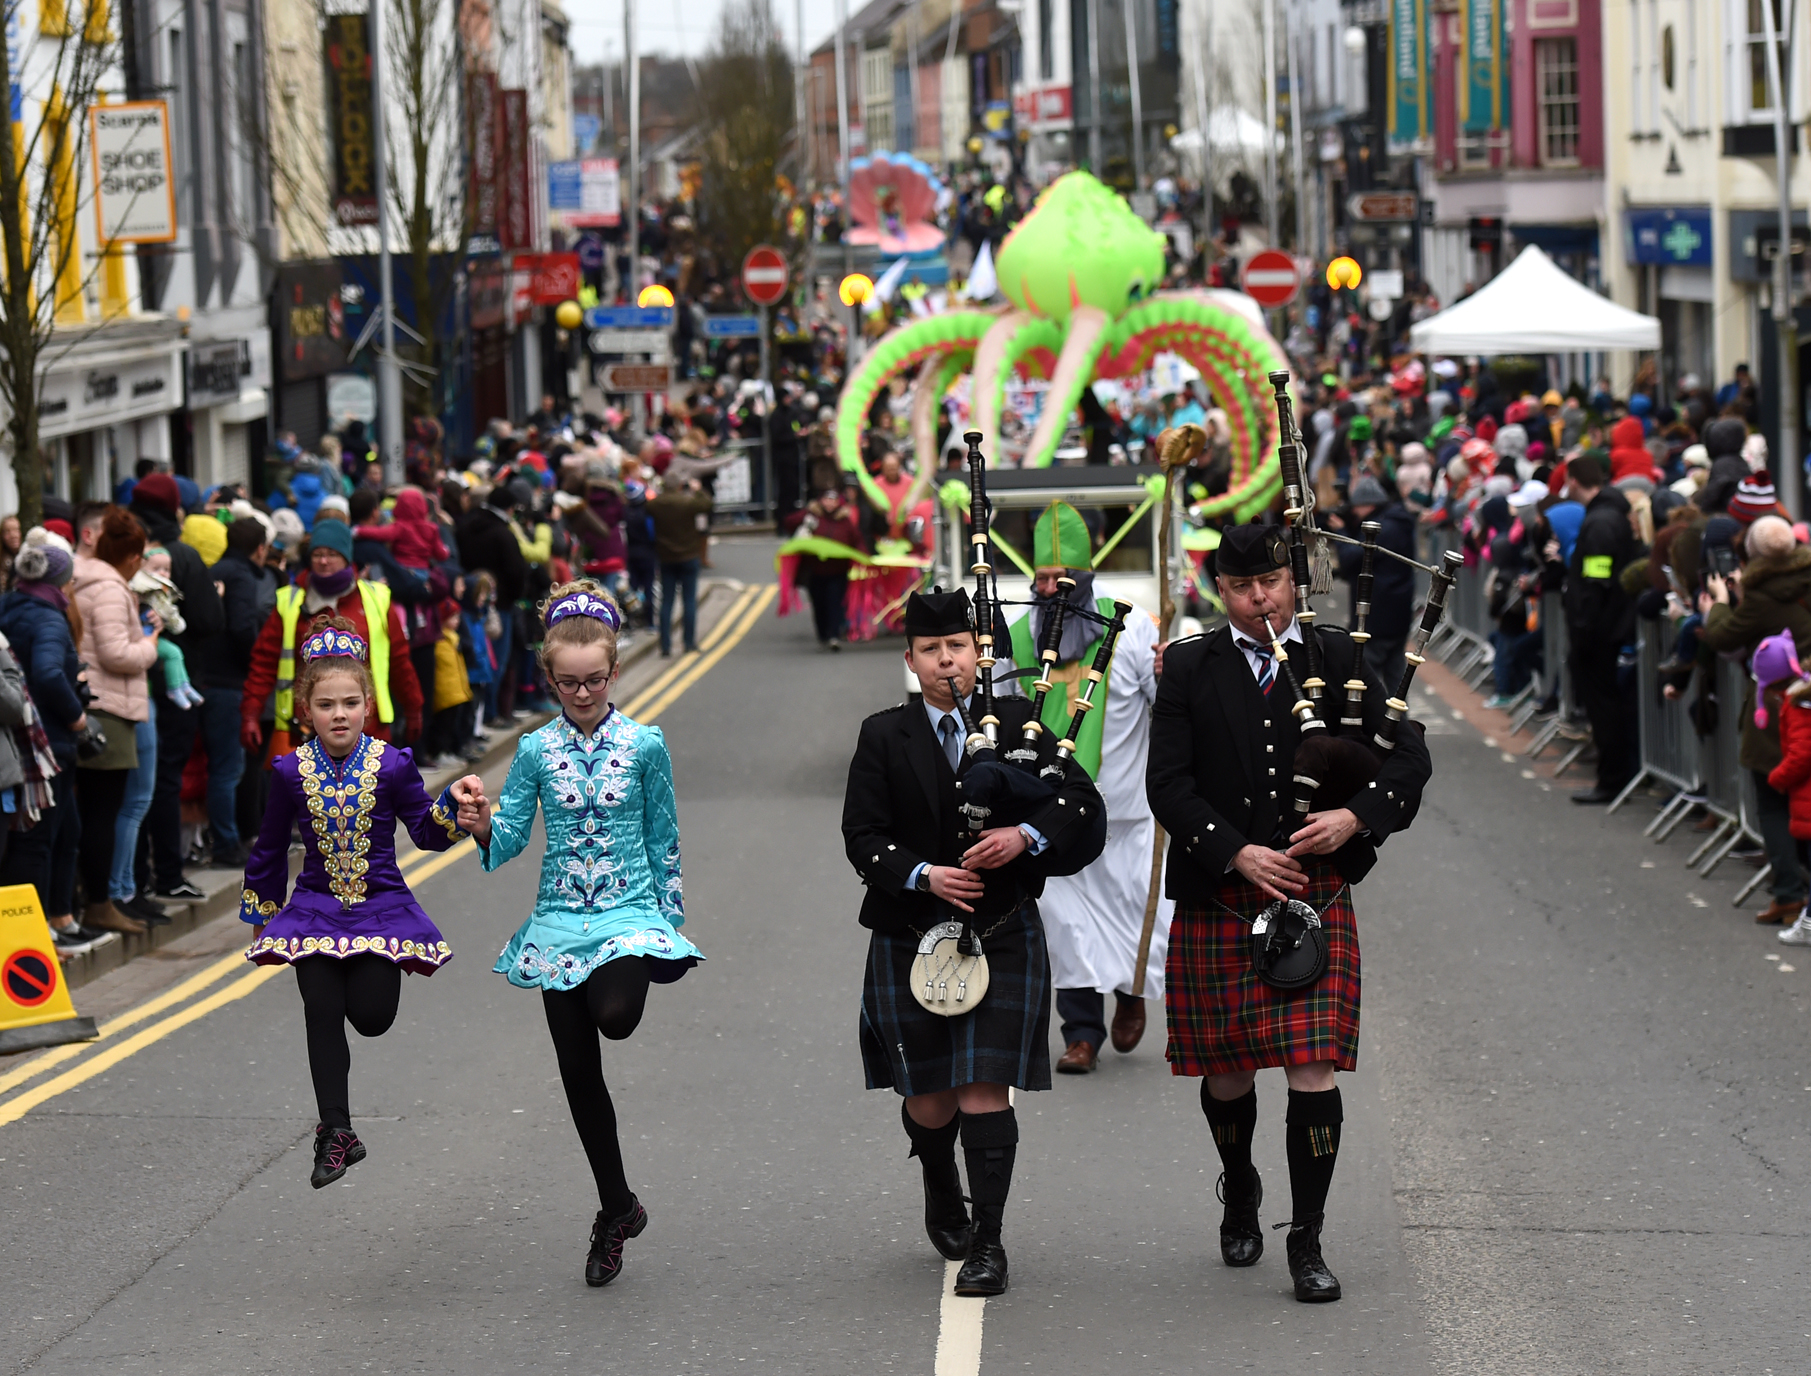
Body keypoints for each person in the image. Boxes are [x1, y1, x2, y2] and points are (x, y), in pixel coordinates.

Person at [1146, 523, 1432, 1304]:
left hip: (1314, 892)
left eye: (1270, 582)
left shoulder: (1334, 657)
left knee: (1311, 1067)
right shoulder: (1189, 668)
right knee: (1227, 1070)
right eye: (1241, 589)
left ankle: (1305, 1237)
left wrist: (1355, 819)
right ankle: (1239, 1183)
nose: (1259, 599)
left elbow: (1408, 757)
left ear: (1291, 579)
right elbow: (1166, 785)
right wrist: (1234, 852)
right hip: (1224, 891)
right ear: (1219, 593)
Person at [841, 588, 1107, 1298]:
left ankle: (988, 1241)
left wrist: (1024, 834)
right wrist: (924, 876)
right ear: (910, 661)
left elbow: (1081, 803)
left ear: (978, 653)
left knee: (986, 1088)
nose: (945, 661)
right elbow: (861, 837)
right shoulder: (881, 735)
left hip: (1000, 927)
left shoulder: (1020, 721)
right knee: (931, 1099)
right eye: (930, 650)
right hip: (911, 929)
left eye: (956, 646)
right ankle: (937, 1176)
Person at [457, 582, 703, 1288]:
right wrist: (479, 825)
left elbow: (665, 835)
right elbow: (505, 842)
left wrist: (666, 923)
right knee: (579, 1075)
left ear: (613, 673)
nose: (583, 692)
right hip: (557, 921)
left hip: (628, 913)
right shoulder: (534, 751)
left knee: (616, 1018)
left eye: (594, 679)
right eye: (568, 682)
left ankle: (616, 1207)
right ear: (550, 679)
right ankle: (615, 1209)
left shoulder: (644, 744)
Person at [240, 616, 479, 1188]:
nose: (339, 714)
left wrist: (457, 809)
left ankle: (339, 1121)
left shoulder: (393, 764)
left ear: (368, 704)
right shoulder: (289, 770)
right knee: (320, 1009)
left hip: (381, 909)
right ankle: (336, 1131)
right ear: (306, 710)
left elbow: (423, 830)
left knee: (371, 1019)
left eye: (350, 702)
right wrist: (262, 915)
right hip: (315, 909)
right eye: (326, 704)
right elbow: (270, 848)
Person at [996, 502, 1169, 1073]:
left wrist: (1174, 675)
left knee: (1131, 918)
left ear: (1086, 575)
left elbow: (1167, 707)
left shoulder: (1134, 628)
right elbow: (994, 712)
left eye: (1060, 578)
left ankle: (1131, 996)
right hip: (1053, 819)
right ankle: (1081, 1033)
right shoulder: (1018, 637)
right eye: (1041, 579)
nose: (1050, 589)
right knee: (1066, 927)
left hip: (1127, 815)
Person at [239, 519, 424, 768]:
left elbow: (400, 663)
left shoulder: (376, 599)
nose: (323, 561)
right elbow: (263, 663)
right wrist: (250, 713)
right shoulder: (290, 601)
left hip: (369, 731)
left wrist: (413, 708)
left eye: (332, 554)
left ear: (347, 557)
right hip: (304, 732)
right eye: (317, 554)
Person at [1699, 516, 1811, 923]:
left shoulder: (1763, 597)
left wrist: (1721, 606)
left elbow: (1725, 637)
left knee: (1773, 799)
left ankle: (1788, 893)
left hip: (1778, 705)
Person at [0, 535, 105, 946]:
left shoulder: (9, 605)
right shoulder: (48, 618)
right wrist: (77, 718)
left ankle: (61, 918)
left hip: (22, 740)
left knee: (65, 830)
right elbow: (46, 673)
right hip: (47, 743)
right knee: (43, 839)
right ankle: (38, 932)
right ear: (60, 581)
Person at [70, 507, 163, 936]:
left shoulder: (84, 578)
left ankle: (93, 900)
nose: (139, 563)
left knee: (92, 811)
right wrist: (149, 644)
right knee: (104, 812)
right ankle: (101, 902)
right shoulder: (108, 588)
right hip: (109, 709)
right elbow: (116, 654)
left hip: (95, 705)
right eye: (137, 554)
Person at [1561, 455, 1642, 804]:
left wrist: (1583, 627)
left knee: (1604, 707)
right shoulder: (1608, 517)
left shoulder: (1600, 524)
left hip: (1599, 634)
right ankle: (1613, 774)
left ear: (1575, 481)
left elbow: (1596, 581)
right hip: (1606, 628)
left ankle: (1611, 779)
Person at [1332, 474, 1417, 692]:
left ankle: (1375, 724)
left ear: (1368, 504)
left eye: (1357, 507)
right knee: (1396, 679)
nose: (1354, 512)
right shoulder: (1398, 521)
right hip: (1396, 613)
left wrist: (1341, 531)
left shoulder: (1383, 529)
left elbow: (1352, 557)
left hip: (1377, 615)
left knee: (1367, 683)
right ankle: (1399, 724)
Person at [648, 477, 713, 656]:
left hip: (666, 557)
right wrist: (698, 489)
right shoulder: (688, 502)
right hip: (689, 555)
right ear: (678, 486)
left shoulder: (655, 505)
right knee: (689, 600)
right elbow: (707, 504)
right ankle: (689, 642)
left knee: (666, 601)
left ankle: (666, 646)